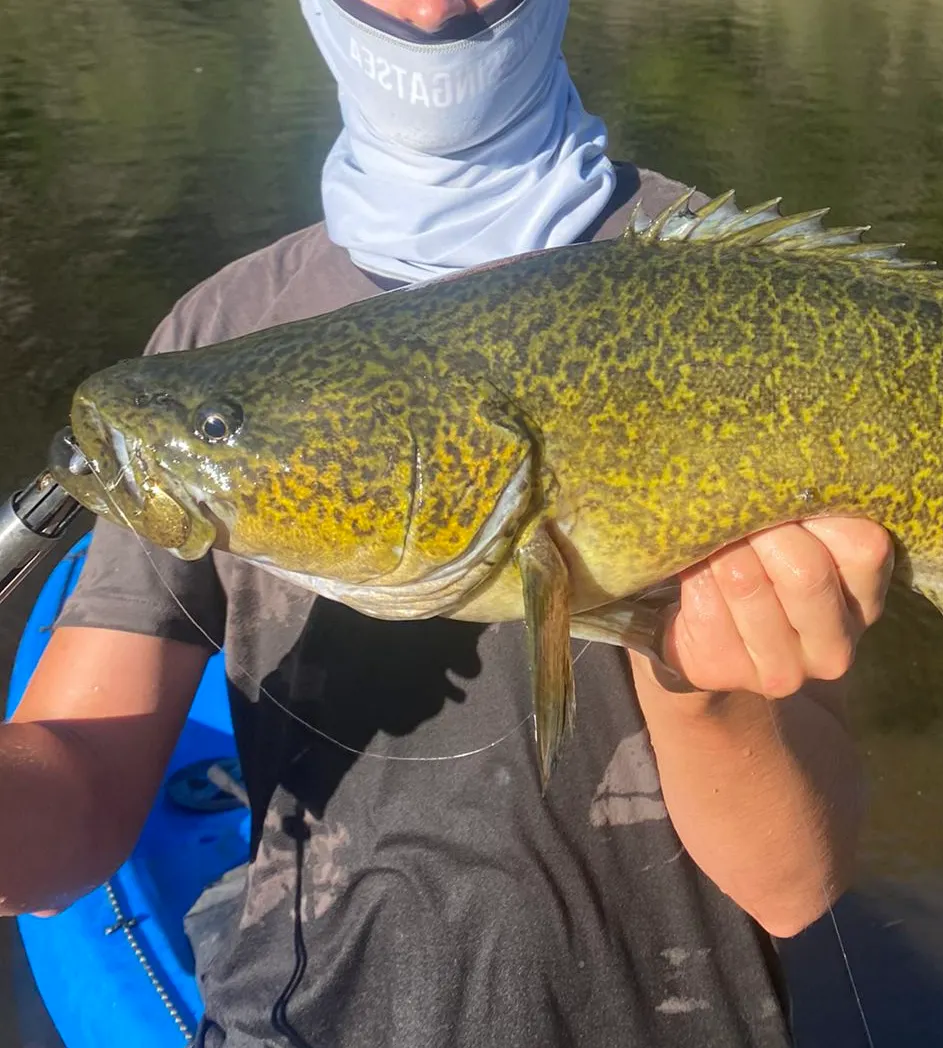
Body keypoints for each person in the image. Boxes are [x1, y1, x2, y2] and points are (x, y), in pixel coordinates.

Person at [0, 0, 890, 1043]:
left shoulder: (737, 299)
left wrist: (702, 691)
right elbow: (80, 788)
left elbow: (793, 884)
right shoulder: (222, 329)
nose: (431, 8)